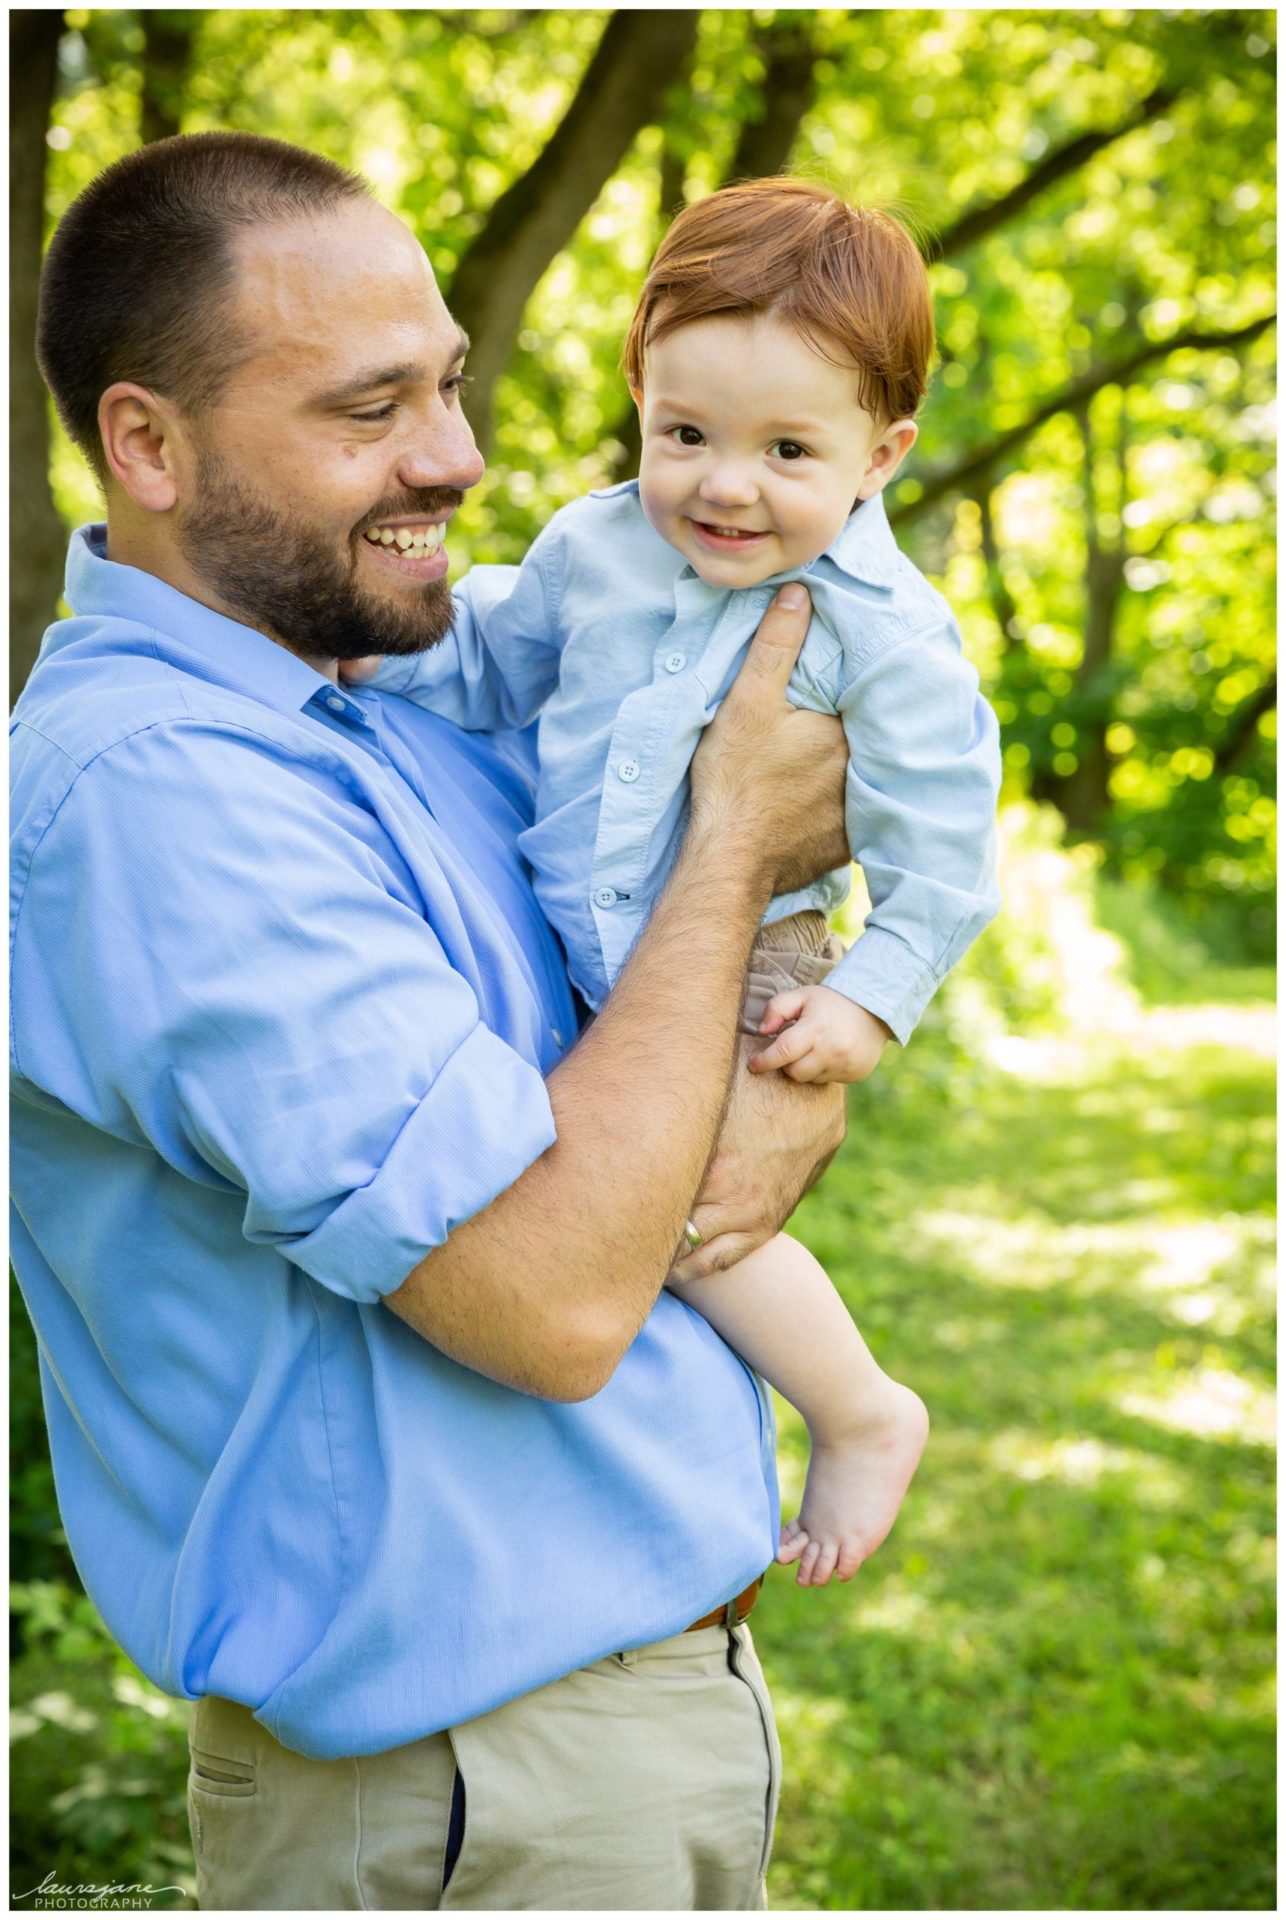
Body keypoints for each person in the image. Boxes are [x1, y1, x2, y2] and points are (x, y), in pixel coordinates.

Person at [11, 132, 857, 1911]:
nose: (454, 461)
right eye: (366, 410)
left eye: (451, 387)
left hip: (617, 1731)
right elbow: (551, 1297)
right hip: (468, 1794)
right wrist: (730, 849)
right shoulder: (159, 799)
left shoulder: (395, 692)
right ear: (145, 444)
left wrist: (786, 1030)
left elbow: (695, 1061)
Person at [359, 178, 1001, 1588]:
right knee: (579, 1186)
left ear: (879, 453)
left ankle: (856, 1407)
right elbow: (491, 658)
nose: (723, 484)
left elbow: (942, 851)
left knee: (688, 1218)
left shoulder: (881, 631)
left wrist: (875, 1005)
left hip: (757, 959)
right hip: (589, 950)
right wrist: (369, 644)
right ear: (639, 396)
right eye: (685, 433)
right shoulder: (596, 547)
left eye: (786, 449)